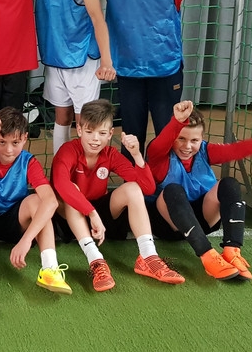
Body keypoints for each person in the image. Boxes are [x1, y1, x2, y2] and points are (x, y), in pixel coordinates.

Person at [90, 0, 234, 160]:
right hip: (128, 71)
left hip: (165, 70)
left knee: (166, 134)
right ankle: (132, 179)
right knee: (131, 134)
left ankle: (166, 181)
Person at [52, 99, 183, 292]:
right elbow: (61, 184)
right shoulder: (68, 151)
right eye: (89, 132)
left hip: (100, 215)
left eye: (102, 133)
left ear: (110, 133)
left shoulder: (110, 154)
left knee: (133, 189)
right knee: (72, 189)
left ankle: (148, 257)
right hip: (70, 218)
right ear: (79, 130)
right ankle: (96, 261)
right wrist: (91, 212)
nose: (95, 139)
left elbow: (147, 188)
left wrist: (136, 155)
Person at [145, 100, 252, 281]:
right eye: (181, 139)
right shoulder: (159, 155)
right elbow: (160, 144)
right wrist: (177, 121)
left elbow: (233, 151)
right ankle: (208, 256)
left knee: (229, 184)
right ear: (173, 136)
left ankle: (232, 251)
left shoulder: (205, 151)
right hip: (168, 225)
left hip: (202, 221)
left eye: (194, 140)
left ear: (202, 139)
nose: (187, 146)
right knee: (173, 190)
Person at [0, 108, 69, 296]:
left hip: (16, 222)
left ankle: (50, 268)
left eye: (15, 142)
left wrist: (26, 241)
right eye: (2, 142)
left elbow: (51, 202)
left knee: (38, 201)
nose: (8, 150)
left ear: (25, 138)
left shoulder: (28, 162)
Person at [28, 0, 114, 155]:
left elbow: (97, 18)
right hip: (56, 58)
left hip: (82, 58)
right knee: (62, 117)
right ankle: (62, 169)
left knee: (85, 122)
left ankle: (88, 171)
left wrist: (107, 61)